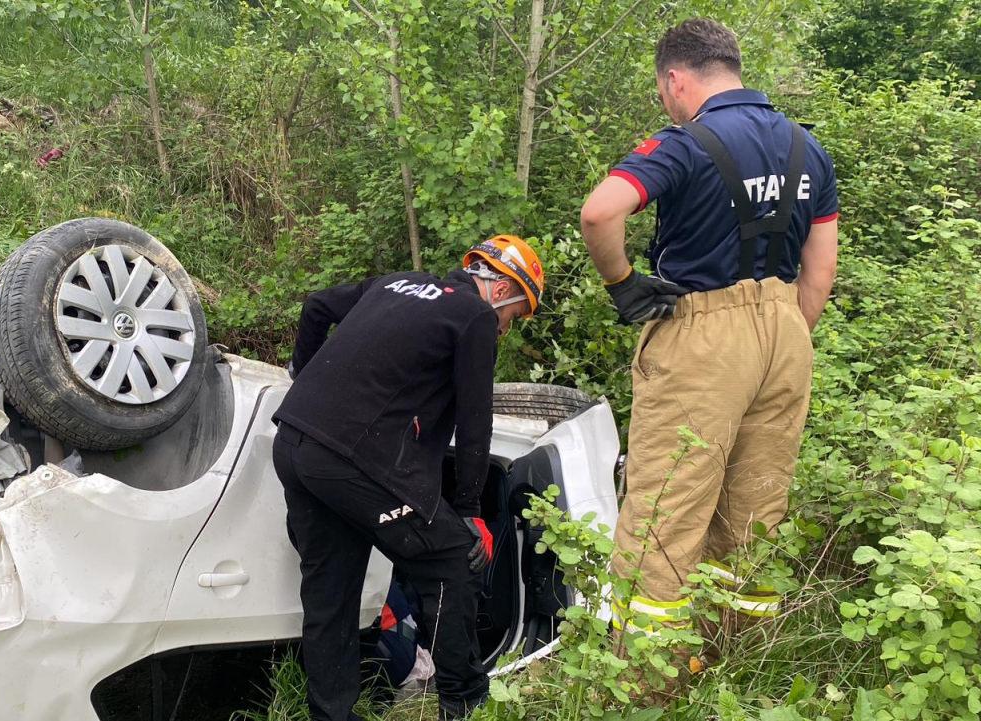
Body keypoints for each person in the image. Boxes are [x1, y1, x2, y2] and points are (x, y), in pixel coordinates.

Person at [579, 19, 839, 644]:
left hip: (702, 331)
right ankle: (735, 661)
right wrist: (779, 335)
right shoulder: (808, 149)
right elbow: (819, 272)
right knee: (754, 508)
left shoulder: (686, 143)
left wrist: (622, 285)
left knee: (667, 507)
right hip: (785, 332)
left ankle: (644, 684)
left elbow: (600, 210)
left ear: (676, 79)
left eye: (663, 90)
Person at [271, 236, 545, 721]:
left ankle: (330, 715)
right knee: (451, 559)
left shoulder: (397, 282)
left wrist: (303, 372)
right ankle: (464, 703)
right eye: (515, 314)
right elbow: (474, 420)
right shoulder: (474, 316)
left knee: (329, 592)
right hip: (351, 461)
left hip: (295, 443)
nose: (508, 326)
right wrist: (467, 512)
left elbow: (317, 306)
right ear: (501, 288)